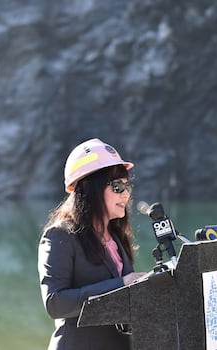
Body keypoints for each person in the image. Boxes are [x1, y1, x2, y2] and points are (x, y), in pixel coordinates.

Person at [37, 138, 146, 350]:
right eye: (117, 186)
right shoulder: (59, 236)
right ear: (88, 188)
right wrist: (123, 284)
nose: (126, 193)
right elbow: (55, 303)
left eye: (127, 185)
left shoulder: (115, 236)